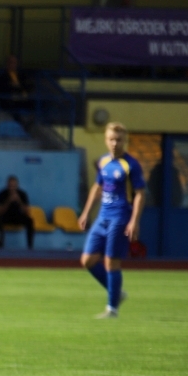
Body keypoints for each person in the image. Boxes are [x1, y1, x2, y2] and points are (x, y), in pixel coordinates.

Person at [77, 122, 145, 319]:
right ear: (106, 140)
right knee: (87, 260)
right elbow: (98, 188)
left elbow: (140, 194)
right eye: (111, 139)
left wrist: (134, 221)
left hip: (120, 217)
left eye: (119, 140)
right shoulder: (104, 162)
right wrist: (86, 212)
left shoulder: (131, 165)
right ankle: (116, 292)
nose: (115, 143)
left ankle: (111, 309)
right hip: (103, 217)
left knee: (111, 262)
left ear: (125, 141)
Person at [0, 175, 37, 250]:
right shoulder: (2, 194)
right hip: (6, 216)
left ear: (17, 185)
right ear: (7, 185)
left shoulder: (22, 194)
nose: (12, 188)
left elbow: (27, 212)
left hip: (17, 216)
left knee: (30, 221)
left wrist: (19, 201)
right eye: (10, 186)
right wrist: (8, 200)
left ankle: (30, 247)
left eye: (14, 186)